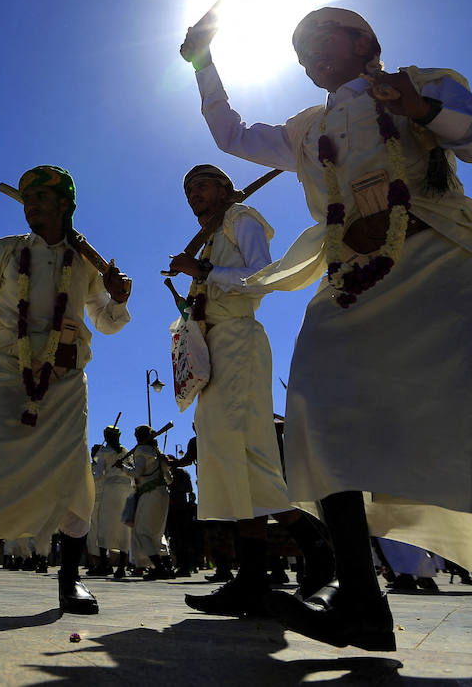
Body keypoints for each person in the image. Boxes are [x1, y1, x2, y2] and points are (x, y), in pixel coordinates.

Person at [180, 7, 472, 677]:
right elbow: (229, 132)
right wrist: (201, 63)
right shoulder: (306, 130)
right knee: (316, 408)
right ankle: (362, 605)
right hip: (353, 282)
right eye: (297, 48)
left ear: (366, 42)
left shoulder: (425, 84)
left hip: (445, 264)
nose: (306, 51)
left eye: (320, 37)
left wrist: (422, 109)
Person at [0, 165, 132, 620]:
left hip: (65, 382)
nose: (31, 206)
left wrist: (118, 297)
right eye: (27, 199)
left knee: (76, 473)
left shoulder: (87, 264)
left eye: (41, 198)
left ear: (65, 206)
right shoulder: (6, 252)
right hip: (8, 373)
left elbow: (109, 323)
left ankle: (70, 580)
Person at [167, 164, 335, 615]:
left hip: (240, 340)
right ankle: (256, 576)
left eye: (201, 184)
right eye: (187, 188)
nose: (193, 193)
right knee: (227, 454)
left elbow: (261, 276)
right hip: (214, 345)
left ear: (225, 188)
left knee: (245, 450)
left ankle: (314, 546)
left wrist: (202, 268)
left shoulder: (244, 219)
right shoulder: (213, 234)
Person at [125, 425, 174, 579]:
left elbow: (136, 473)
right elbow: (170, 479)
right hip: (163, 493)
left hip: (149, 493)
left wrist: (123, 467)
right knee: (157, 533)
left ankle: (159, 567)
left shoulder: (141, 451)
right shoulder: (159, 454)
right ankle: (168, 566)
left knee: (141, 531)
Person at [90, 426, 133, 578]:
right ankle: (121, 566)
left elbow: (100, 474)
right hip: (125, 491)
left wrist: (87, 478)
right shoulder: (126, 451)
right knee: (123, 528)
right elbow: (132, 470)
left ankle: (104, 564)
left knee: (105, 526)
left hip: (110, 491)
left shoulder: (103, 452)